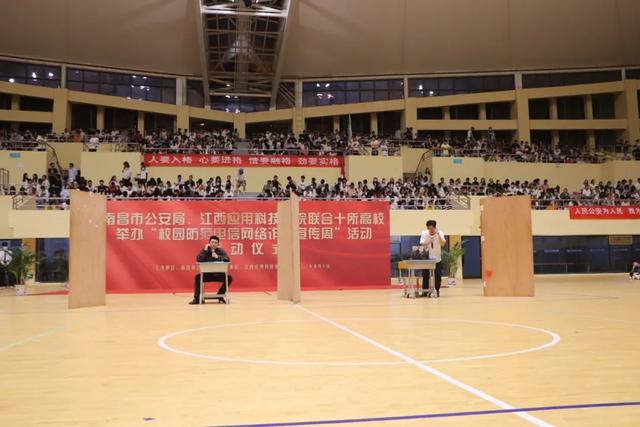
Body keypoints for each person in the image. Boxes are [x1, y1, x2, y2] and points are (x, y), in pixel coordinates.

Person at [190, 236, 233, 305]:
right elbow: (199, 259)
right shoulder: (205, 250)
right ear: (209, 243)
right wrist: (205, 251)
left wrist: (218, 257)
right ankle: (197, 299)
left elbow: (227, 259)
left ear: (218, 244)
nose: (214, 244)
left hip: (218, 274)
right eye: (212, 242)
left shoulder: (221, 251)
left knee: (229, 278)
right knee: (198, 277)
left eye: (215, 243)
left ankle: (220, 295)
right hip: (207, 275)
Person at [420, 220, 446, 297]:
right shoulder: (424, 233)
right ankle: (425, 291)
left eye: (432, 228)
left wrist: (438, 235)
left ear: (435, 227)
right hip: (426, 259)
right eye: (429, 228)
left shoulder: (440, 232)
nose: (430, 230)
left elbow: (443, 244)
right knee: (425, 276)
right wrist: (429, 241)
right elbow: (421, 243)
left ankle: (437, 290)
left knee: (438, 276)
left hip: (437, 259)